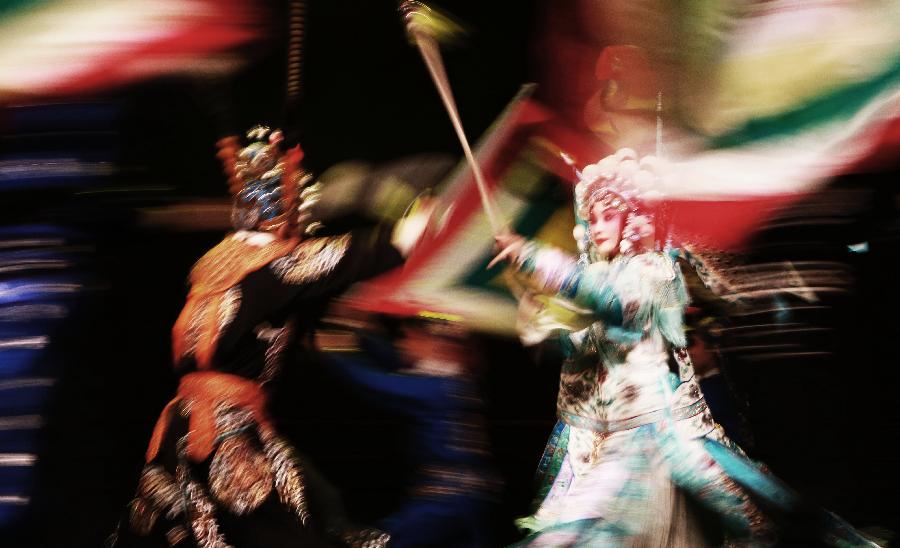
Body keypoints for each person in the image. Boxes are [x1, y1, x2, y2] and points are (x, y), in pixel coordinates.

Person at [492, 148, 877, 546]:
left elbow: (616, 302)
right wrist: (541, 308)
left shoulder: (653, 271)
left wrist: (532, 257)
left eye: (609, 215)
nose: (597, 228)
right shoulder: (599, 278)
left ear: (632, 218)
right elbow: (580, 346)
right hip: (595, 438)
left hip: (647, 437)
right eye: (592, 219)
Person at [109, 126, 431, 548]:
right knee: (288, 529)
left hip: (182, 428)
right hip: (226, 431)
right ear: (282, 204)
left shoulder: (212, 263)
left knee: (309, 507)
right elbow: (357, 257)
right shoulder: (275, 266)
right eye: (296, 202)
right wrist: (419, 225)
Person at [315, 306, 501, 548]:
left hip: (445, 502)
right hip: (471, 498)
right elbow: (393, 358)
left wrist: (333, 343)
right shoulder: (456, 381)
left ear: (435, 345)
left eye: (408, 337)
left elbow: (372, 382)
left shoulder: (435, 389)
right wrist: (363, 330)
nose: (401, 344)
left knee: (381, 543)